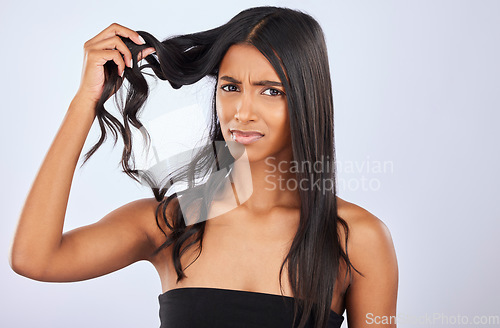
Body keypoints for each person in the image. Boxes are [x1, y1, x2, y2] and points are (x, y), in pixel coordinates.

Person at [9, 6, 398, 328]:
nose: (242, 112)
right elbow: (34, 258)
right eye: (231, 87)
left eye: (271, 91)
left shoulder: (355, 239)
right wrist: (86, 100)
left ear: (307, 98)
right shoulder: (172, 224)